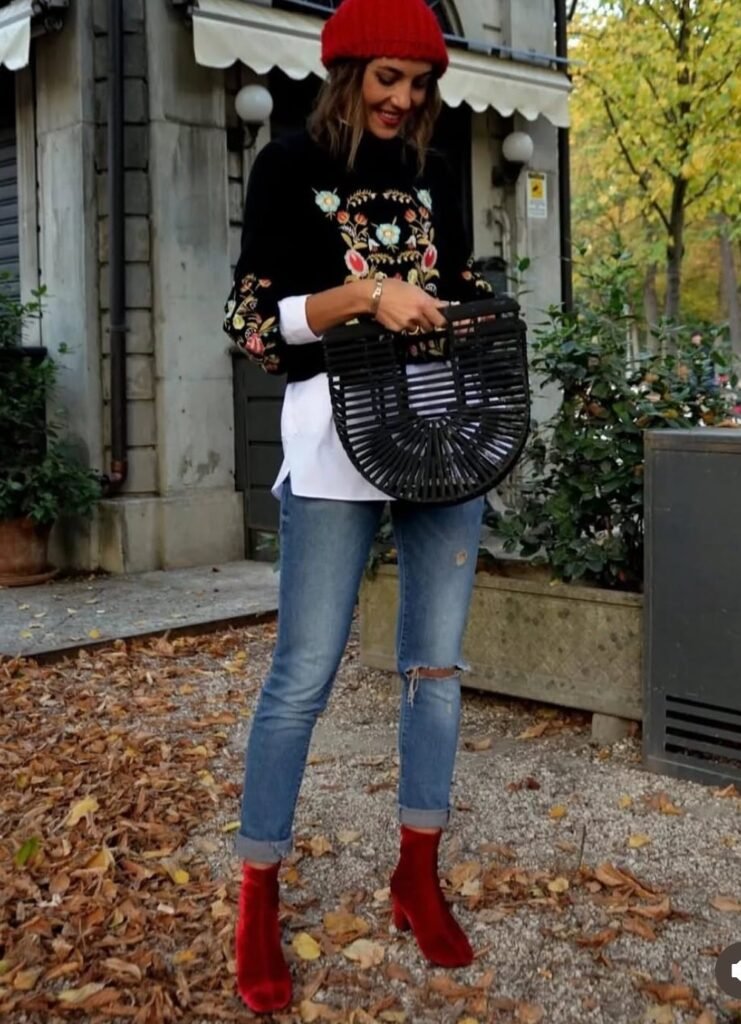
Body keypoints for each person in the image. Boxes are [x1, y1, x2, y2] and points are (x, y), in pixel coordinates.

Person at [223, 0, 494, 1013]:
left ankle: (416, 876)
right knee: (302, 674)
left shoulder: (436, 171)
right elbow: (253, 324)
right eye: (387, 79)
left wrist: (465, 313)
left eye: (418, 84)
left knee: (436, 669)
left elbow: (456, 284)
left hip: (442, 437)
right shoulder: (288, 167)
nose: (403, 100)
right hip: (333, 442)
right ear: (345, 73)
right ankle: (257, 896)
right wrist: (368, 293)